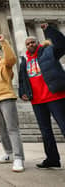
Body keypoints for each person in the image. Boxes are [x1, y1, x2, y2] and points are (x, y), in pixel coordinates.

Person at [19, 23, 65, 169]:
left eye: (32, 42)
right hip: (37, 100)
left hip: (55, 96)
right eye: (28, 43)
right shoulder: (24, 60)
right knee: (45, 131)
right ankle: (52, 159)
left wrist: (49, 30)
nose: (30, 45)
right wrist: (23, 92)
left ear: (37, 43)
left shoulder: (48, 51)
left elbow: (62, 44)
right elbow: (22, 79)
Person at [0, 34, 25, 172]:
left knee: (12, 129)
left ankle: (18, 158)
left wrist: (4, 43)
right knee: (1, 130)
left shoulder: (5, 63)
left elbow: (12, 58)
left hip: (7, 97)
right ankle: (8, 153)